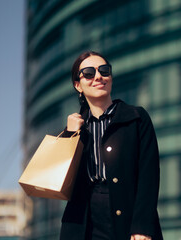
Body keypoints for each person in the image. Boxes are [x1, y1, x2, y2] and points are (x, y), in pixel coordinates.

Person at [59, 51, 163, 240]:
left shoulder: (136, 118)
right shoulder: (75, 127)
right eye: (89, 73)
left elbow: (149, 175)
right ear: (78, 85)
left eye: (104, 71)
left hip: (126, 215)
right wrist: (70, 134)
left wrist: (142, 226)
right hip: (83, 221)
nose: (98, 76)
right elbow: (60, 179)